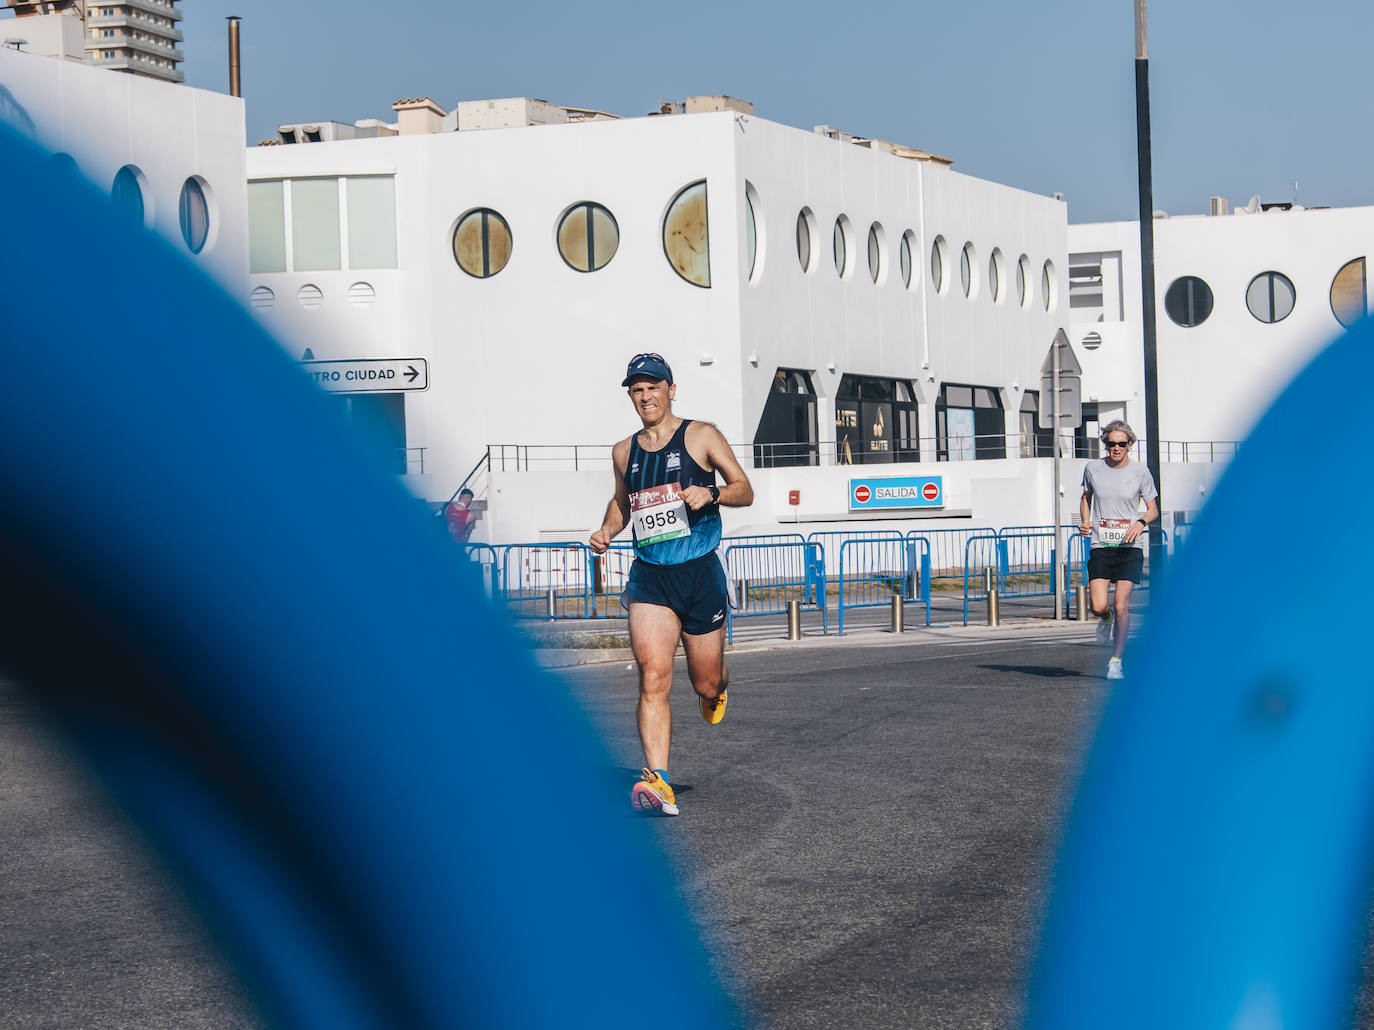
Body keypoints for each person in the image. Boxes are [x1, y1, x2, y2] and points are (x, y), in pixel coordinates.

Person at [589, 352, 754, 816]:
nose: (646, 396)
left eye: (654, 387)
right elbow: (622, 503)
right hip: (650, 578)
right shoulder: (625, 450)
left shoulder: (701, 435)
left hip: (699, 573)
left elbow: (745, 487)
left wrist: (713, 492)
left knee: (703, 683)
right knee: (653, 677)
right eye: (637, 389)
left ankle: (717, 686)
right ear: (630, 395)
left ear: (671, 389)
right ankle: (658, 781)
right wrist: (606, 530)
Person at [1079, 420, 1160, 680]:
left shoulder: (1140, 472)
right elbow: (1085, 498)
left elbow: (1153, 509)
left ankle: (1116, 660)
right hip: (1102, 544)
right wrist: (1085, 521)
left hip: (1129, 547)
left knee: (1122, 606)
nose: (1116, 448)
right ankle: (1105, 619)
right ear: (1105, 445)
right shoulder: (1093, 468)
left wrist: (1140, 522)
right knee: (1099, 606)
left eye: (1121, 444)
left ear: (1129, 445)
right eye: (1111, 443)